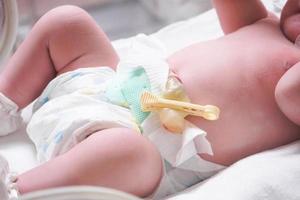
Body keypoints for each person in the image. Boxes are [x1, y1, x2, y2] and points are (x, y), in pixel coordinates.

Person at [0, 0, 300, 199]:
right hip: (104, 86)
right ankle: (4, 102)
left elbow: (290, 92)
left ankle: (17, 190)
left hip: (136, 145)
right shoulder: (264, 22)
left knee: (129, 153)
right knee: (67, 22)